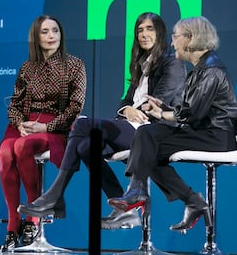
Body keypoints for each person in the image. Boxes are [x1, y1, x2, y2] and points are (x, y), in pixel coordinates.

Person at [18, 12, 186, 229]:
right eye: (140, 30)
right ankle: (122, 207)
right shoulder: (142, 64)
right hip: (134, 125)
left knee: (81, 124)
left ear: (160, 32)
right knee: (87, 146)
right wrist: (127, 110)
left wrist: (132, 110)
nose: (143, 34)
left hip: (153, 131)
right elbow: (124, 102)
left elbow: (157, 103)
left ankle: (55, 196)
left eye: (149, 29)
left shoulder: (171, 64)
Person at [107, 16, 237, 232]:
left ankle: (146, 193)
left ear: (191, 39)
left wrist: (164, 114)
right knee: (147, 138)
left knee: (148, 145)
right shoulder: (200, 68)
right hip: (202, 131)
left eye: (176, 37)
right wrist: (162, 111)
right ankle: (183, 199)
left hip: (215, 136)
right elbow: (189, 110)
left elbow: (192, 114)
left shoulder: (211, 70)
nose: (171, 42)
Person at [0, 15, 86, 251]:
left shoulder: (75, 65)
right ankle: (13, 222)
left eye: (55, 31)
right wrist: (19, 124)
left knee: (21, 147)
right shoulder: (28, 67)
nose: (51, 36)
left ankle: (33, 217)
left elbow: (75, 107)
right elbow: (15, 104)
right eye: (45, 32)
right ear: (36, 36)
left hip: (55, 126)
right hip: (25, 125)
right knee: (6, 151)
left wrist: (46, 127)